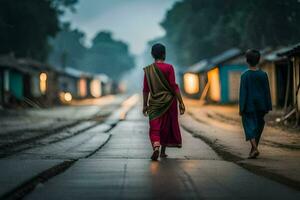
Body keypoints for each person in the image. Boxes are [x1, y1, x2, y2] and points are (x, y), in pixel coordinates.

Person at [143, 43, 185, 161]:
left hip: (154, 103)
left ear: (152, 55)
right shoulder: (169, 68)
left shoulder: (148, 70)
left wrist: (144, 105)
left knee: (155, 127)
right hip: (169, 102)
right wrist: (181, 102)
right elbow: (174, 86)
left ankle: (156, 146)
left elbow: (146, 89)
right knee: (166, 126)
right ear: (164, 54)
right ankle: (163, 152)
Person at [239, 49, 272, 159]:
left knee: (249, 127)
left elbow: (243, 93)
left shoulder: (245, 76)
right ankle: (253, 150)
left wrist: (241, 108)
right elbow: (267, 91)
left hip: (248, 106)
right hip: (261, 105)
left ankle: (255, 148)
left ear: (247, 60)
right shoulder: (263, 75)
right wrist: (268, 106)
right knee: (258, 126)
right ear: (258, 60)